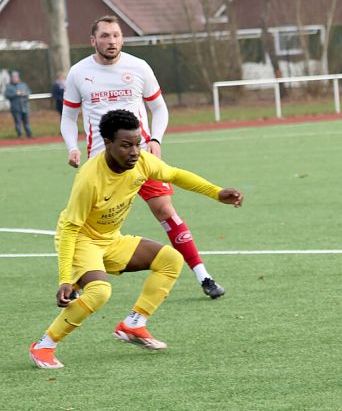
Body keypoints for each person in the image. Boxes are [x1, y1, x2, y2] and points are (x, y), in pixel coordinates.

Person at [28, 110, 243, 369]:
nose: (134, 151)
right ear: (107, 143)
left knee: (170, 260)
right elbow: (71, 229)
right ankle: (44, 345)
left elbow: (174, 175)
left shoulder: (141, 162)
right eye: (126, 145)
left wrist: (217, 193)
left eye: (138, 143)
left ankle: (133, 324)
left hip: (111, 239)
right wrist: (65, 279)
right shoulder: (89, 179)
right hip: (81, 241)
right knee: (99, 292)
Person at [61, 15, 226, 298]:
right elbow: (68, 116)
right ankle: (75, 280)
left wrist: (157, 140)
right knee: (89, 227)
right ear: (93, 41)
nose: (111, 41)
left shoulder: (138, 67)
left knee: (165, 210)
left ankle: (203, 275)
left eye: (115, 35)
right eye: (104, 36)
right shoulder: (78, 72)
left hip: (139, 158)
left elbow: (159, 109)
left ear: (122, 38)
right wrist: (71, 147)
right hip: (101, 166)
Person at [4, 70, 33, 138]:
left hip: (25, 106)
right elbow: (7, 95)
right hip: (16, 108)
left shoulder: (23, 84)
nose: (15, 78)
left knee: (26, 122)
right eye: (14, 77)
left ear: (18, 78)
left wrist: (24, 93)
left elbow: (29, 92)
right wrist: (16, 94)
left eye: (16, 77)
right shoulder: (9, 86)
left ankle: (29, 134)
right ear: (11, 78)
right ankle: (19, 135)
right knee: (18, 122)